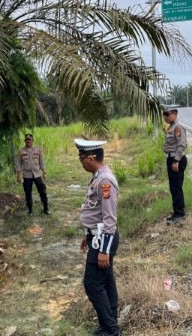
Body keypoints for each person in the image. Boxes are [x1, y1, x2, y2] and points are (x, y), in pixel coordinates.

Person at [75, 138, 121, 336]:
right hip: (97, 236)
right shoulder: (97, 176)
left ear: (91, 158)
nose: (81, 162)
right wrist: (87, 233)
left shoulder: (105, 181)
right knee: (106, 280)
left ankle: (111, 330)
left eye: (82, 158)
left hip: (104, 239)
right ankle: (110, 323)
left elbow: (109, 219)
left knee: (93, 284)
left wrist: (104, 250)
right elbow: (95, 211)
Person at [163, 107, 188, 225]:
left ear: (175, 114)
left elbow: (182, 145)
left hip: (176, 159)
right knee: (174, 187)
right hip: (171, 158)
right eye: (164, 115)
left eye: (167, 114)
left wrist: (176, 160)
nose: (165, 117)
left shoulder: (178, 127)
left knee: (176, 187)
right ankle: (178, 210)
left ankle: (179, 213)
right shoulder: (171, 127)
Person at [15, 134, 50, 216]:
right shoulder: (21, 151)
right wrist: (18, 175)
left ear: (32, 141)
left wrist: (44, 172)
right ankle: (30, 210)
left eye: (30, 139)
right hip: (27, 176)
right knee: (28, 193)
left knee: (43, 192)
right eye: (27, 140)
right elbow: (18, 164)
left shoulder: (37, 150)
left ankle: (46, 209)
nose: (28, 141)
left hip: (37, 174)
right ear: (25, 141)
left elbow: (41, 162)